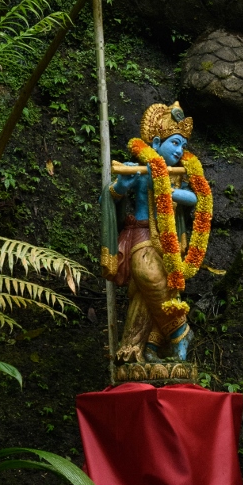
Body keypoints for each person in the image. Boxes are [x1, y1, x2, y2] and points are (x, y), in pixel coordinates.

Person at [100, 101, 211, 367]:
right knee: (149, 276)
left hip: (167, 240)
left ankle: (143, 349)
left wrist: (170, 191)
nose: (179, 150)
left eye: (183, 146)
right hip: (140, 235)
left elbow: (196, 198)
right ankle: (180, 332)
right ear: (157, 141)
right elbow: (112, 195)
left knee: (147, 295)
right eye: (174, 143)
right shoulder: (139, 168)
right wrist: (120, 186)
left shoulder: (176, 176)